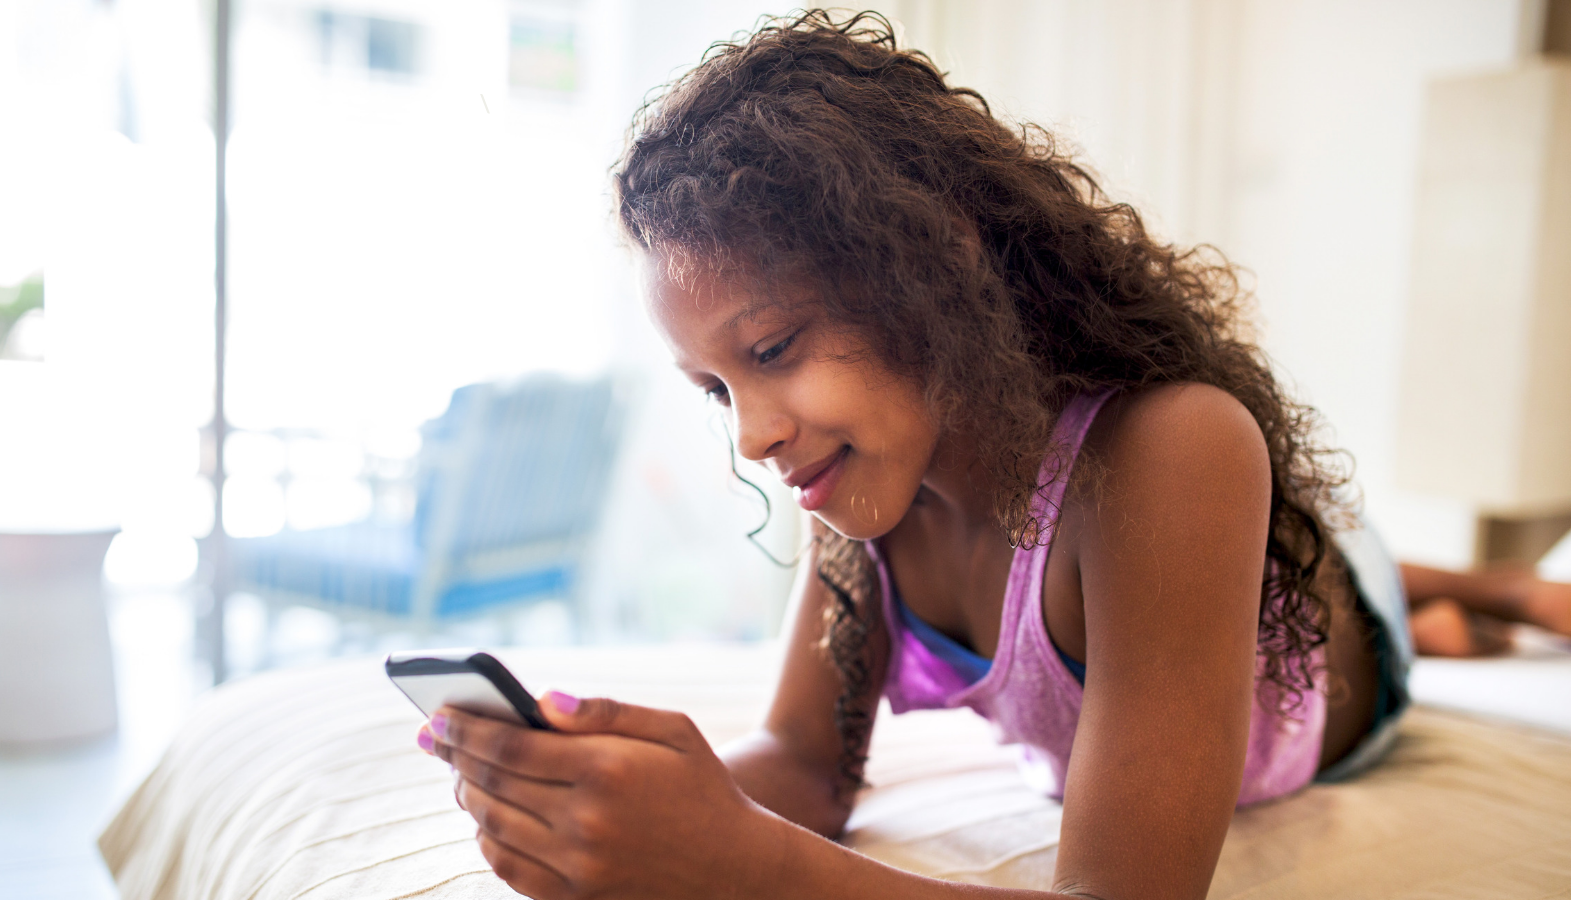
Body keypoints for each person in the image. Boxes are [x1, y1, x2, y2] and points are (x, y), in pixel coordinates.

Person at [416, 12, 1571, 899]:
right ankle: (1467, 607)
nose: (753, 432)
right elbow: (806, 763)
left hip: (1335, 653)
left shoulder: (1172, 448)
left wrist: (745, 867)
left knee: (1350, 568)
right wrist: (655, 793)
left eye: (773, 347)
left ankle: (1494, 591)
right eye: (718, 387)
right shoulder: (866, 487)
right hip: (1173, 591)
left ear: (937, 262)